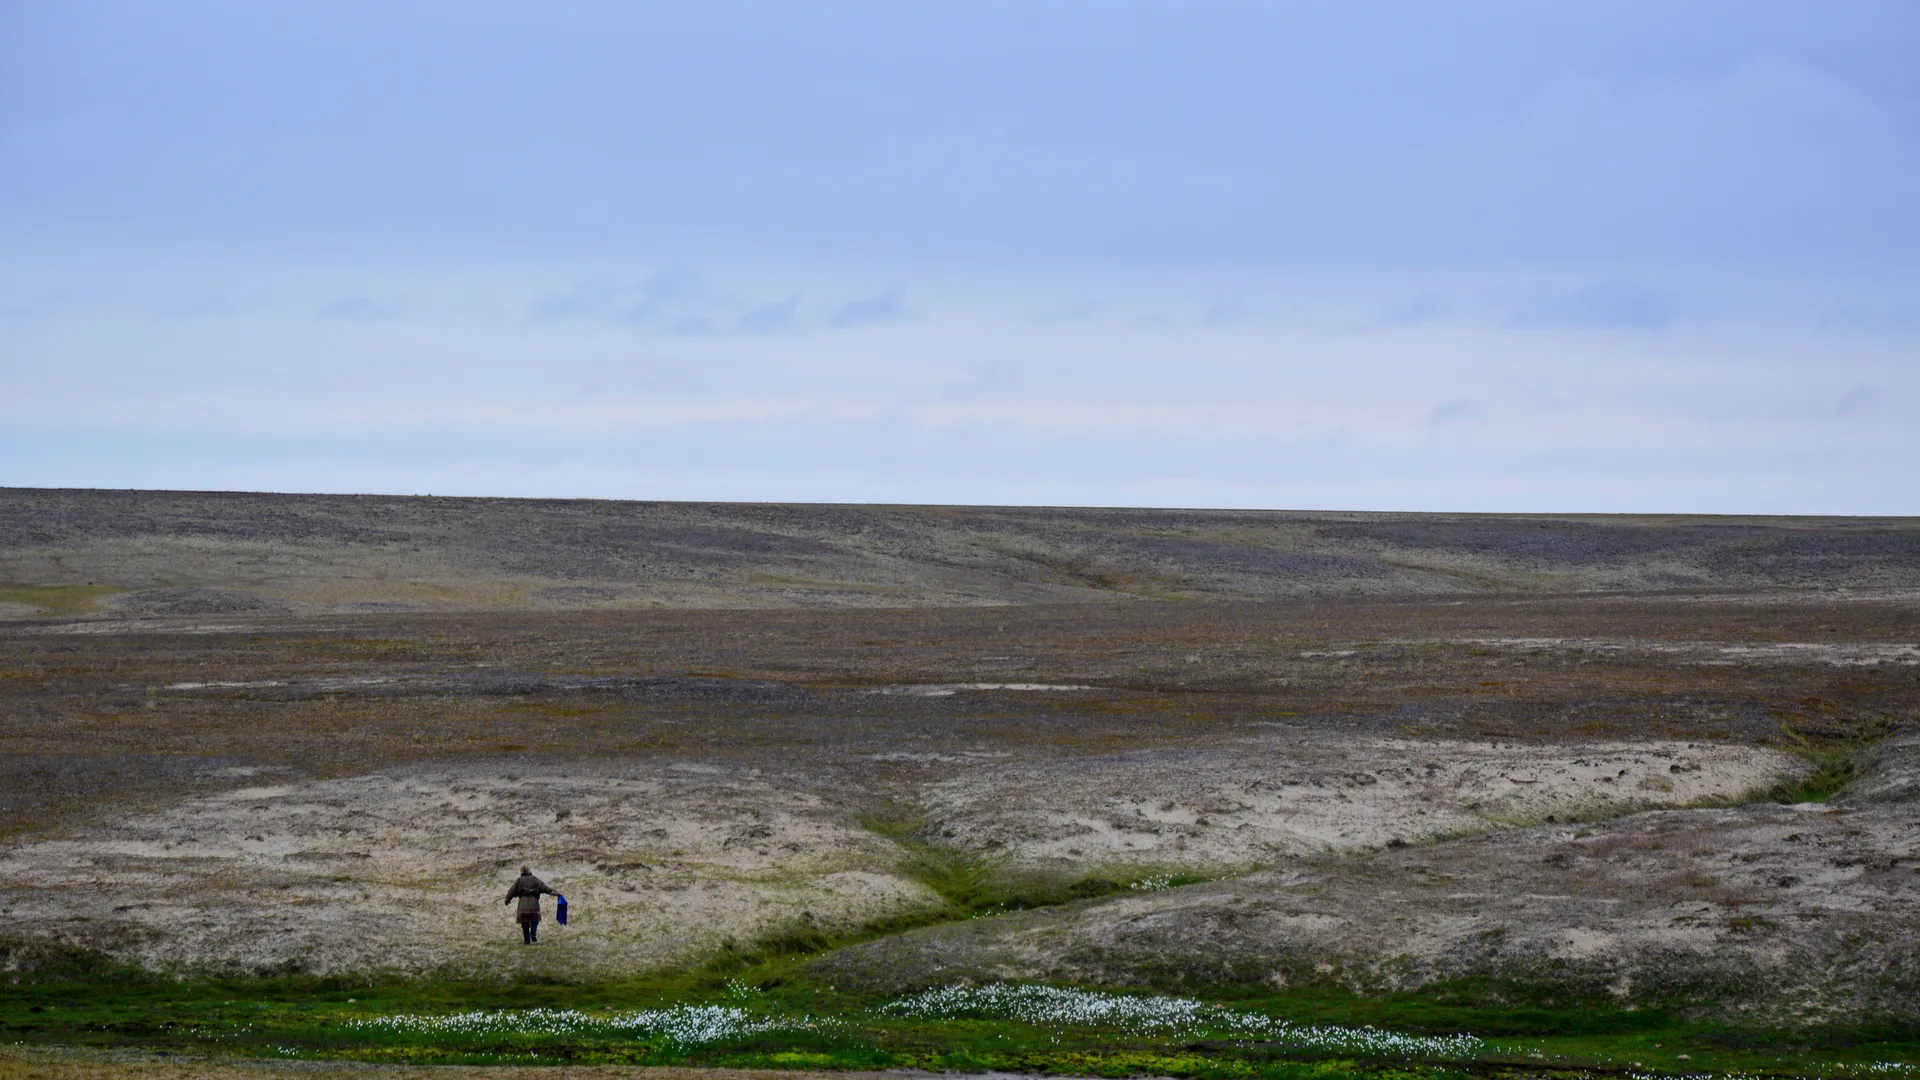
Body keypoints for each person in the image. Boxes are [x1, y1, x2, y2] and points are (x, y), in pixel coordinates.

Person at [504, 865, 558, 944]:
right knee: (534, 920)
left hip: (523, 905)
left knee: (524, 923)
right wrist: (554, 893)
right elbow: (545, 888)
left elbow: (511, 891)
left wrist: (507, 900)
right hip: (534, 905)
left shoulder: (519, 880)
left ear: (521, 872)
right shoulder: (535, 879)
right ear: (529, 871)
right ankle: (533, 935)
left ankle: (527, 940)